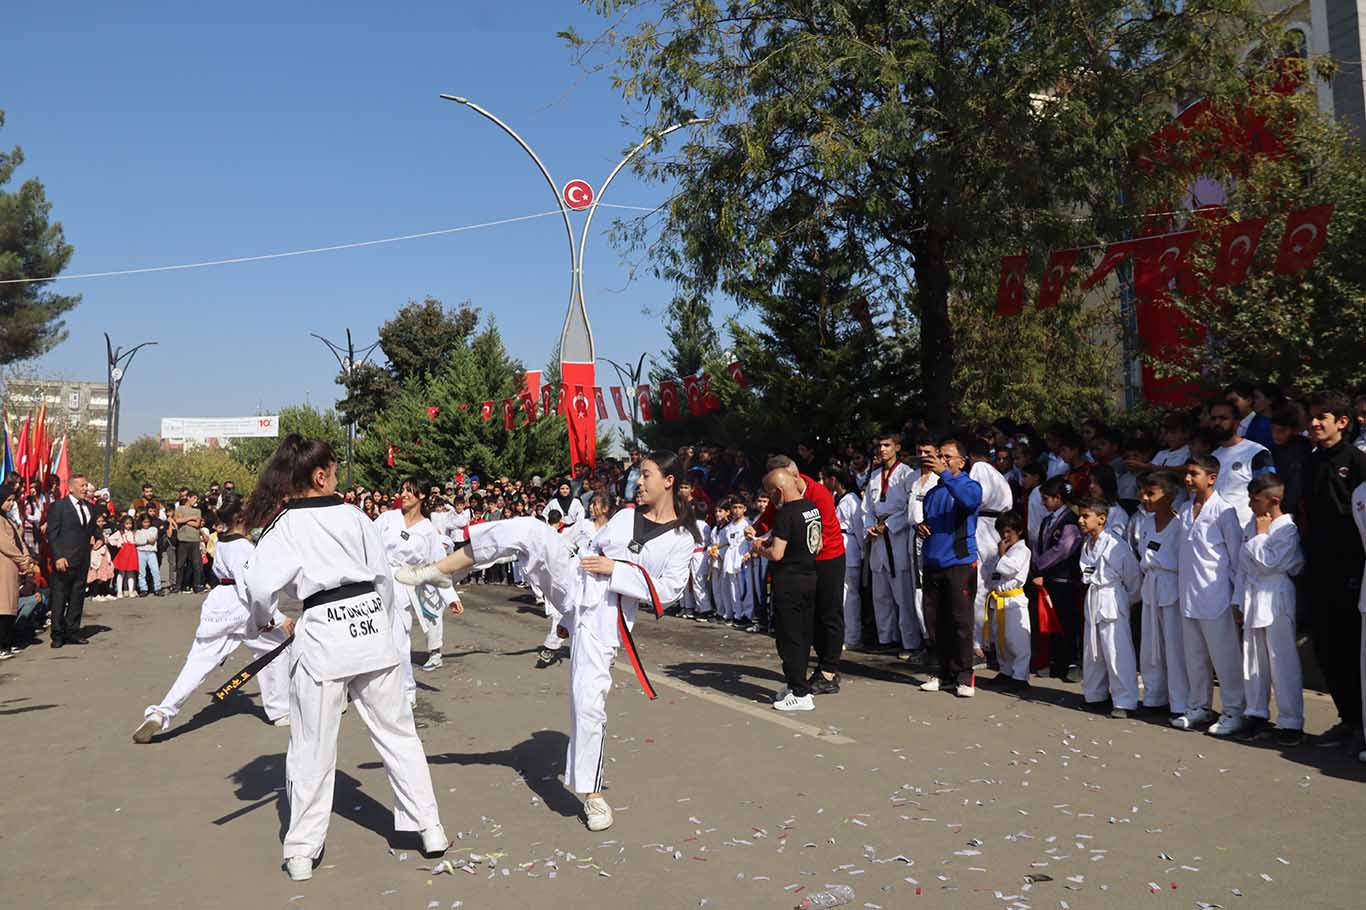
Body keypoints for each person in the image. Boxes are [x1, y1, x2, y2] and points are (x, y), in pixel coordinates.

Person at [398, 450, 696, 833]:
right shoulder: (624, 516)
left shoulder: (681, 537)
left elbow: (668, 592)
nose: (638, 482)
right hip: (575, 582)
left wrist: (615, 570)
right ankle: (440, 571)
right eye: (638, 475)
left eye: (647, 475)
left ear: (669, 481)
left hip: (607, 619)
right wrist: (581, 585)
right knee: (528, 530)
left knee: (588, 703)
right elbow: (591, 554)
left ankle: (591, 795)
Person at [242, 436, 448, 881]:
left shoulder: (285, 527)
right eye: (333, 470)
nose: (337, 476)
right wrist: (383, 626)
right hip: (370, 627)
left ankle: (301, 849)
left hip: (323, 633)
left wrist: (266, 621)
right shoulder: (356, 517)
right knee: (397, 734)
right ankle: (429, 827)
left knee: (313, 744)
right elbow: (385, 583)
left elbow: (259, 590)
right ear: (320, 475)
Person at [133, 492, 294, 742]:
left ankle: (162, 713)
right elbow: (250, 588)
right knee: (275, 651)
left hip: (219, 606)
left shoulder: (223, 541)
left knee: (197, 663)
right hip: (243, 607)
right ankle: (280, 710)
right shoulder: (242, 546)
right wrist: (276, 617)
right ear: (242, 516)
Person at [1299, 390, 1366, 750]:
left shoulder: (1357, 462)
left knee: (1354, 647)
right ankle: (1348, 718)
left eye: (1321, 417)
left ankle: (1362, 721)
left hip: (1353, 569)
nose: (1313, 423)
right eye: (1310, 417)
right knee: (1326, 647)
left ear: (1341, 422)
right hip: (1318, 567)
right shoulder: (1310, 462)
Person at [747, 455, 846, 693]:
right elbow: (769, 518)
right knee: (807, 617)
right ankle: (815, 668)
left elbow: (817, 539)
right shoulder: (782, 497)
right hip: (803, 564)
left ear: (791, 475)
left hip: (827, 559)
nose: (773, 497)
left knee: (828, 613)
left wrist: (767, 546)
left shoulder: (818, 495)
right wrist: (757, 528)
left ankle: (829, 670)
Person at [1173, 455, 1246, 736]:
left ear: (1212, 477)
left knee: (1225, 657)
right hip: (1189, 594)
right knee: (1195, 656)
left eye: (1194, 474)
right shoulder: (1185, 507)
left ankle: (1233, 710)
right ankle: (1199, 707)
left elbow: (1237, 558)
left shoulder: (1224, 511)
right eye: (1187, 474)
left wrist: (1238, 598)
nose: (1188, 479)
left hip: (1216, 596)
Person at [1236, 474, 1305, 744]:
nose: (1251, 504)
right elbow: (1242, 565)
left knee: (1281, 659)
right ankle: (1256, 714)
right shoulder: (1252, 525)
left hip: (1276, 594)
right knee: (1253, 659)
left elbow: (1270, 564)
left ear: (1273, 500)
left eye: (1256, 500)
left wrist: (1262, 535)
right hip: (1253, 594)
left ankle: (1291, 722)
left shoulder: (1287, 529)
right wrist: (1238, 601)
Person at [375, 478, 461, 690]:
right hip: (377, 582)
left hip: (403, 586)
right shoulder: (387, 518)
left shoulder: (428, 530)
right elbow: (366, 543)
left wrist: (450, 597)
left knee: (399, 639)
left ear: (421, 495)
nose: (403, 494)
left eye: (409, 491)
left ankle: (407, 689)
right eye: (402, 490)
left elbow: (439, 566)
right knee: (373, 638)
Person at [915, 438, 983, 697]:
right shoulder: (932, 492)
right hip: (932, 562)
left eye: (947, 457)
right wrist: (919, 527)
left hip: (959, 563)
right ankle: (938, 671)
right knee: (933, 621)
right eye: (939, 456)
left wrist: (944, 473)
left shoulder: (970, 486)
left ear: (961, 462)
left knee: (960, 621)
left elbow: (968, 502)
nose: (941, 461)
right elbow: (930, 524)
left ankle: (963, 675)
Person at [755, 467, 823, 712]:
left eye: (772, 494)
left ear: (780, 491)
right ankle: (796, 683)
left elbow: (776, 553)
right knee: (803, 635)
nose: (771, 499)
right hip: (809, 576)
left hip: (790, 581)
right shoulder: (811, 508)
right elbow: (818, 543)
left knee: (788, 638)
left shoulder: (786, 514)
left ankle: (800, 692)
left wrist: (759, 548)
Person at [1075, 497, 1141, 718]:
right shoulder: (1087, 543)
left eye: (1086, 516)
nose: (1081, 520)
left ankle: (1124, 701)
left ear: (1102, 519)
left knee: (1116, 651)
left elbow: (1134, 581)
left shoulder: (1116, 545)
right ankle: (1095, 695)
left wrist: (1124, 600)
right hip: (1093, 597)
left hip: (1112, 598)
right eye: (1080, 515)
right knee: (1092, 650)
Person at [1137, 471, 1188, 721]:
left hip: (1171, 585)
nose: (1145, 499)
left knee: (1174, 646)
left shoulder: (1179, 526)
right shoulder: (1146, 523)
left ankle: (1180, 700)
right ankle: (1155, 695)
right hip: (1151, 585)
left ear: (1168, 497)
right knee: (1151, 644)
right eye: (1144, 494)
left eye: (1151, 494)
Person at [862, 432, 915, 654]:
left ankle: (909, 642)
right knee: (880, 593)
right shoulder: (874, 476)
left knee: (902, 593)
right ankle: (886, 638)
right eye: (879, 446)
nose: (882, 450)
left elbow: (909, 508)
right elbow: (866, 509)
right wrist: (870, 526)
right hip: (878, 537)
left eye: (887, 445)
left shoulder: (906, 474)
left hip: (897, 537)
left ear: (897, 447)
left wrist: (890, 525)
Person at [1033, 476, 1083, 681]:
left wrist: (1040, 564)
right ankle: (1057, 661)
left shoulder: (1070, 520)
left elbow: (1064, 549)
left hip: (1066, 579)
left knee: (1068, 621)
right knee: (1052, 621)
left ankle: (1073, 662)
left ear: (1058, 498)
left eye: (1046, 498)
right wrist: (1037, 568)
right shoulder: (1047, 520)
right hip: (1049, 579)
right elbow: (1038, 545)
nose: (1044, 503)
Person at [968, 439, 1013, 659]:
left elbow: (975, 498)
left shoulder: (979, 469)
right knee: (995, 588)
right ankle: (995, 641)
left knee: (979, 589)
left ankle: (977, 642)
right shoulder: (999, 476)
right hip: (998, 531)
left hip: (983, 530)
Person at [981, 512, 1031, 688]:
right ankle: (1005, 670)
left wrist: (1002, 556)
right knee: (1001, 639)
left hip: (1014, 600)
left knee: (1017, 640)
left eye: (1009, 531)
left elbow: (1010, 569)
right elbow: (992, 575)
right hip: (998, 599)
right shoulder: (1001, 551)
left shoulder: (1023, 551)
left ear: (1019, 531)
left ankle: (1020, 676)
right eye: (1002, 531)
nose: (1005, 536)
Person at [46, 473, 96, 648]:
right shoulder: (59, 507)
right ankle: (57, 634)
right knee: (60, 597)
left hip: (82, 560)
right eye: (82, 486)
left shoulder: (89, 507)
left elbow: (92, 529)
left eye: (86, 485)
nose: (85, 489)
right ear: (71, 488)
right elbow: (52, 534)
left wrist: (99, 538)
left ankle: (72, 631)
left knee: (77, 596)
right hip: (64, 560)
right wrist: (58, 556)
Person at [1207, 400, 1273, 528]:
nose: (1217, 423)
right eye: (1213, 418)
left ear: (1237, 423)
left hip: (1245, 531)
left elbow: (1268, 493)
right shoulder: (1212, 456)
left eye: (1223, 418)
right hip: (1213, 532)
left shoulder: (1256, 452)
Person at [822, 464, 865, 653]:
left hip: (850, 544)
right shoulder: (833, 498)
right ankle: (841, 634)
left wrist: (863, 552)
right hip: (835, 543)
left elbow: (858, 527)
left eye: (825, 479)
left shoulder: (852, 499)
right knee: (839, 593)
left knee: (850, 594)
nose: (823, 483)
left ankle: (853, 636)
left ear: (834, 479)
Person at [0, 484, 35, 659]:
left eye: (12, 500)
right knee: (3, 609)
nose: (11, 504)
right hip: (4, 568)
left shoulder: (9, 520)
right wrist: (22, 560)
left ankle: (8, 642)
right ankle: (2, 646)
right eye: (8, 500)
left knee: (10, 608)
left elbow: (20, 543)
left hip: (13, 569)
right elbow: (6, 545)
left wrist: (27, 559)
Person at [717, 497, 755, 630]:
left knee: (745, 588)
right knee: (732, 589)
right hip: (731, 558)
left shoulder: (747, 524)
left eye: (740, 507)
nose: (737, 510)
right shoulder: (729, 526)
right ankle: (736, 614)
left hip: (743, 558)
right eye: (734, 507)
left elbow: (752, 541)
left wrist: (750, 552)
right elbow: (725, 543)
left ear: (744, 509)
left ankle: (747, 615)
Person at [174, 492, 205, 593]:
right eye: (194, 498)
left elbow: (197, 524)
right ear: (188, 498)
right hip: (183, 538)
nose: (196, 500)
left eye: (197, 498)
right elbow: (177, 520)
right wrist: (190, 518)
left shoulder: (197, 511)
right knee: (180, 564)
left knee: (196, 564)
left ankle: (197, 585)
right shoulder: (180, 508)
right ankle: (178, 586)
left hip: (194, 539)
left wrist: (184, 520)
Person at [109, 514, 141, 598]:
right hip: (123, 554)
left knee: (131, 573)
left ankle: (131, 591)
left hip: (132, 554)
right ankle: (119, 591)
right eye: (127, 524)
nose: (129, 525)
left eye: (130, 523)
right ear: (123, 524)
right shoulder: (120, 532)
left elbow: (138, 540)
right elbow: (110, 539)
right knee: (121, 572)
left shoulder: (134, 532)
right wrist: (118, 544)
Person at [133, 513, 163, 596]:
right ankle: (143, 588)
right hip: (141, 552)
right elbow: (137, 541)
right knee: (142, 572)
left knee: (155, 570)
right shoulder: (138, 531)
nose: (146, 524)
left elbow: (153, 539)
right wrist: (146, 541)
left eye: (148, 522)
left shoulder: (154, 529)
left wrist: (144, 540)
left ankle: (157, 588)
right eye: (144, 522)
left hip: (151, 552)